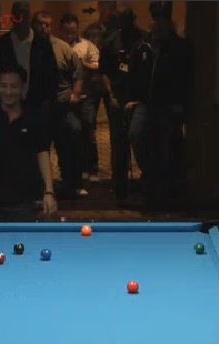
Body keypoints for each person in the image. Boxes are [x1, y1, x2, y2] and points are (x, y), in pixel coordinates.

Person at [0, 64, 57, 221]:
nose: (8, 91)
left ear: (22, 87)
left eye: (14, 86)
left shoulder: (34, 116)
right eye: (3, 86)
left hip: (24, 202)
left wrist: (49, 192)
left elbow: (43, 153)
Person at [140, 1, 190, 209]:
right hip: (154, 106)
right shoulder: (154, 47)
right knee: (154, 148)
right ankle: (156, 193)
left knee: (165, 151)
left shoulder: (178, 47)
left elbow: (183, 78)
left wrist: (179, 104)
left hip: (169, 107)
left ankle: (164, 195)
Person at [32, 11, 84, 199]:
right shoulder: (28, 47)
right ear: (33, 25)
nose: (43, 28)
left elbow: (78, 73)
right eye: (40, 24)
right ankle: (40, 188)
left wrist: (75, 94)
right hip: (38, 106)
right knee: (39, 147)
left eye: (47, 24)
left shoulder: (62, 47)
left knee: (70, 139)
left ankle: (71, 184)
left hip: (61, 105)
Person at [99, 7, 149, 200]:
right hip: (118, 98)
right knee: (119, 145)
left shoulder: (144, 38)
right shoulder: (110, 42)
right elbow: (104, 71)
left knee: (140, 140)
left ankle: (146, 183)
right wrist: (111, 95)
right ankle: (120, 189)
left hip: (140, 99)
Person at [0, 2, 58, 113]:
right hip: (7, 104)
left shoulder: (42, 43)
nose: (21, 19)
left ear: (30, 18)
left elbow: (52, 74)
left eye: (24, 15)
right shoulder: (0, 44)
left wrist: (48, 101)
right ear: (12, 18)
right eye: (17, 15)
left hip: (36, 105)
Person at [61, 13, 102, 185]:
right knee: (72, 134)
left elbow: (98, 64)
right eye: (67, 31)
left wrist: (81, 63)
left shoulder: (87, 45)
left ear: (77, 28)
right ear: (62, 30)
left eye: (73, 31)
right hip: (66, 97)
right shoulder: (58, 46)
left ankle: (92, 168)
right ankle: (77, 169)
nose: (70, 34)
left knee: (88, 132)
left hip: (86, 96)